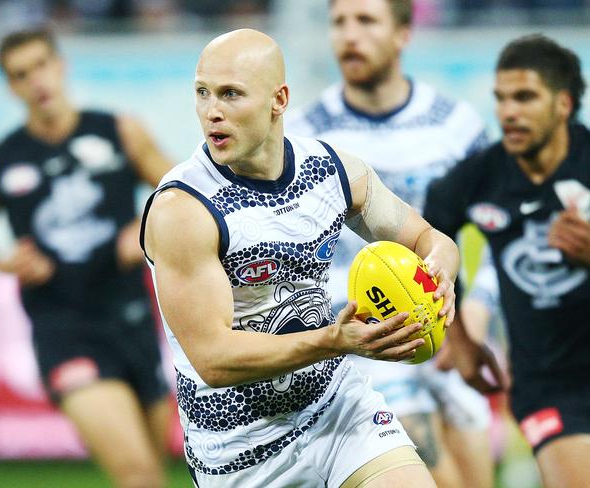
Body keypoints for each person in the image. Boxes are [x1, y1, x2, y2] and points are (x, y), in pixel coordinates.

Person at [140, 28, 460, 488]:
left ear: (279, 99)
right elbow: (213, 357)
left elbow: (430, 239)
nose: (212, 111)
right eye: (203, 92)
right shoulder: (183, 210)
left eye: (231, 94)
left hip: (338, 411)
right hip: (238, 451)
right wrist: (336, 340)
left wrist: (439, 270)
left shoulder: (334, 171)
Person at [285, 1, 495, 486]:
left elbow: (501, 233)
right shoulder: (303, 133)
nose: (348, 35)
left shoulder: (455, 126)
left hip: (448, 325)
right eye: (339, 22)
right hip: (366, 339)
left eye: (366, 21)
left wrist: (474, 319)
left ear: (403, 34)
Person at [0, 29, 173, 488]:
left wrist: (143, 229)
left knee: (154, 473)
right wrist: (4, 264)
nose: (37, 81)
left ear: (61, 65)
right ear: (11, 87)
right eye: (21, 74)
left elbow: (183, 195)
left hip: (132, 319)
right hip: (64, 330)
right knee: (139, 476)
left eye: (41, 65)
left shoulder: (119, 130)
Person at [425, 34, 590, 488]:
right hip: (547, 385)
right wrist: (457, 340)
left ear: (563, 103)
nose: (507, 112)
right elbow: (429, 233)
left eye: (524, 97)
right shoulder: (481, 177)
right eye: (500, 98)